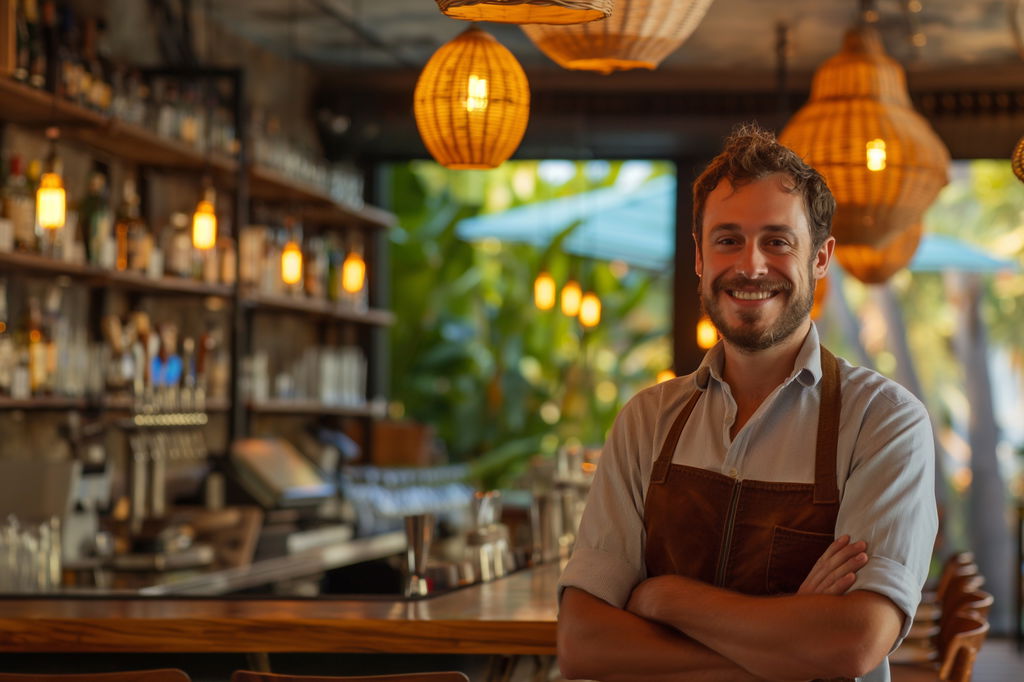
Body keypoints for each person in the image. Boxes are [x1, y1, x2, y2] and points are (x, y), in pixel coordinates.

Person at [556, 123, 938, 682]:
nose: (751, 265)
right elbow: (585, 644)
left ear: (820, 258)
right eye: (728, 239)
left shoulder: (883, 421)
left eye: (778, 241)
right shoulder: (646, 420)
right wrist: (788, 643)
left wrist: (664, 598)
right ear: (700, 258)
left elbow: (851, 644)